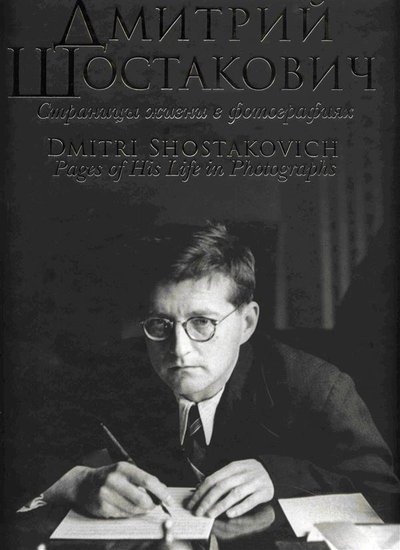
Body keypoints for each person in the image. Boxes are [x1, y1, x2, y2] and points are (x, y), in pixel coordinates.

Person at [22, 223, 399, 520]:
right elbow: (19, 453)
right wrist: (74, 483)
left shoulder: (315, 386)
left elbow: (383, 493)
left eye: (202, 322)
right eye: (160, 323)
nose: (179, 349)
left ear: (247, 323)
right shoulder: (111, 374)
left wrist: (278, 476)